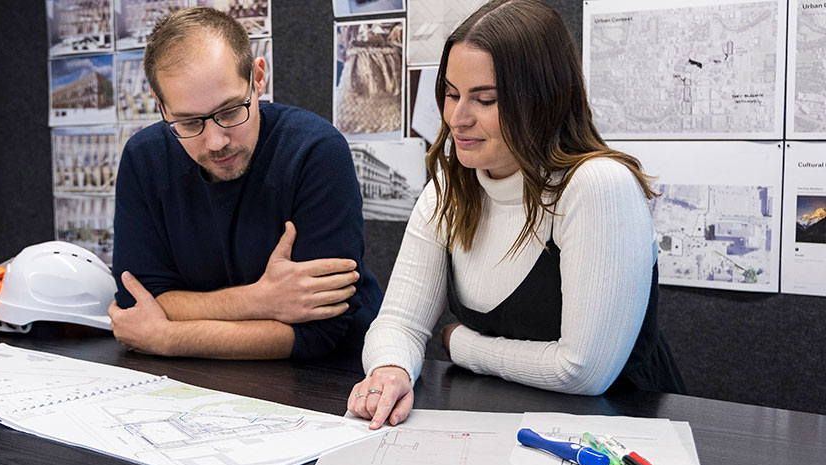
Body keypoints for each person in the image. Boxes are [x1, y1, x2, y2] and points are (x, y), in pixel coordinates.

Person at [348, 0, 686, 430]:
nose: (457, 118)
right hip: (502, 424)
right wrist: (390, 369)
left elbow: (582, 371)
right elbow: (398, 322)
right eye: (451, 94)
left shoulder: (597, 186)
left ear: (542, 100)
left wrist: (462, 344)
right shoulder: (448, 192)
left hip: (616, 432)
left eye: (484, 99)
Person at [108, 7, 382, 360]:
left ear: (258, 78)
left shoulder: (315, 151)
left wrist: (169, 337)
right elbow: (138, 300)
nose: (216, 141)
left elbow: (319, 331)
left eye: (230, 111)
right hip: (197, 382)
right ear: (160, 106)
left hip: (333, 378)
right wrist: (260, 299)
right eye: (189, 123)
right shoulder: (143, 159)